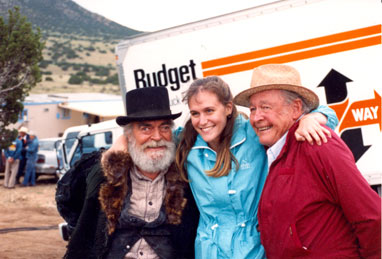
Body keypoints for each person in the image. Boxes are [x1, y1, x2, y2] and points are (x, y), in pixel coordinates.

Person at [173, 75, 337, 259]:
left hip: (258, 249)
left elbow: (329, 115)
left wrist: (311, 118)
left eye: (209, 111)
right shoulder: (185, 142)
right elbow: (152, 140)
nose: (202, 121)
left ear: (228, 108)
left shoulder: (253, 133)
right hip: (209, 252)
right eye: (195, 113)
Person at [234, 63, 381, 258]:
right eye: (252, 109)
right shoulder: (273, 151)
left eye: (265, 107)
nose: (255, 117)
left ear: (295, 108)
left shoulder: (318, 143)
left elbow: (372, 217)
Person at [58, 87, 199, 259]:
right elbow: (67, 198)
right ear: (129, 135)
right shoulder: (109, 176)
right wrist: (108, 160)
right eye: (146, 129)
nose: (157, 136)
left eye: (164, 128)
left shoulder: (187, 177)